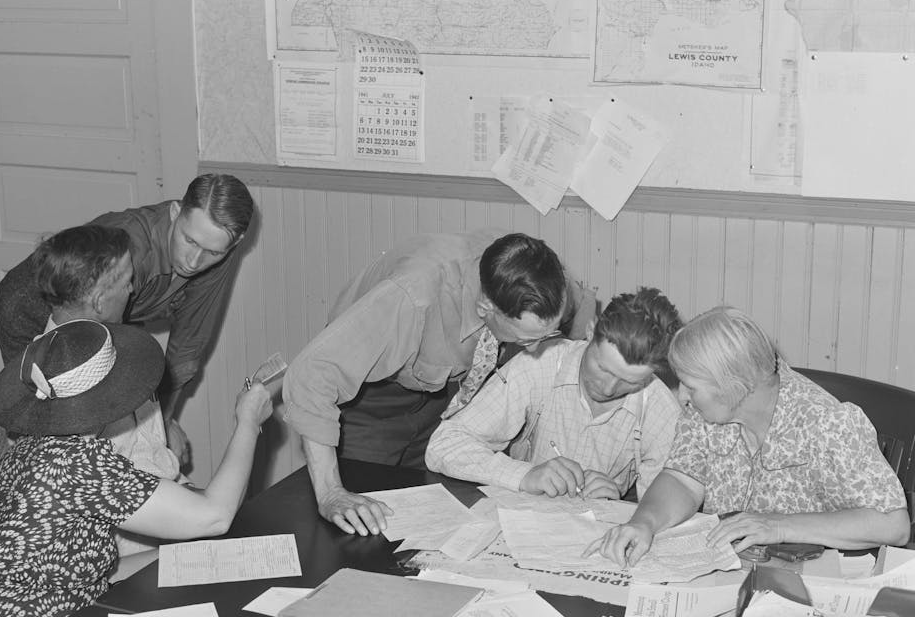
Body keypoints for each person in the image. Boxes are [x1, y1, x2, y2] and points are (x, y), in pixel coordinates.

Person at [0, 319, 271, 617]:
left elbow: (80, 571)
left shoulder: (35, 449)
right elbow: (214, 516)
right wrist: (248, 421)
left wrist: (185, 558)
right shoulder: (77, 462)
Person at [283, 230, 596, 536]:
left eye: (549, 335)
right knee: (362, 526)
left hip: (444, 397)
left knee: (442, 523)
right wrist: (330, 493)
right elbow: (310, 376)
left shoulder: (540, 278)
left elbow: (584, 330)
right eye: (527, 340)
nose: (538, 348)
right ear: (486, 308)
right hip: (369, 399)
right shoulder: (413, 296)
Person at [591, 306, 910, 569]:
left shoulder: (826, 422)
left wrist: (778, 526)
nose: (682, 395)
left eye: (691, 386)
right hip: (730, 574)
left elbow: (892, 524)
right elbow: (682, 478)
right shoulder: (708, 412)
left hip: (810, 583)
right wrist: (644, 522)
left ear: (732, 386)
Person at [0, 173, 255, 468]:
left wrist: (164, 425)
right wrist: (156, 440)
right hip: (32, 305)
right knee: (41, 432)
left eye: (212, 252)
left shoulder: (216, 244)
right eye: (189, 240)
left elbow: (187, 349)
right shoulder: (131, 255)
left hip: (99, 315)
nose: (194, 261)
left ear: (234, 244)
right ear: (174, 212)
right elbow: (98, 352)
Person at [426, 287, 682, 500]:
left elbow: (664, 511)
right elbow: (444, 445)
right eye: (603, 368)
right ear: (590, 332)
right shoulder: (539, 364)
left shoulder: (661, 410)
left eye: (629, 382)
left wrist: (619, 508)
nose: (608, 389)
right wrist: (524, 476)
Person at [29, 224, 182, 559]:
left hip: (157, 510)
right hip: (121, 547)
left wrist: (163, 430)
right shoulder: (64, 380)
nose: (133, 288)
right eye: (127, 279)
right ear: (99, 301)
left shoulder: (107, 345)